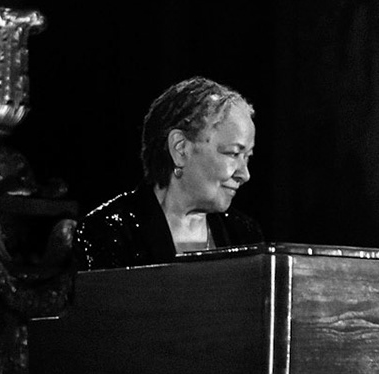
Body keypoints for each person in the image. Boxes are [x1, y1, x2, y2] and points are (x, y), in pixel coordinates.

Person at [74, 77, 263, 269]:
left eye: (247, 157)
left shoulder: (244, 235)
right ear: (180, 148)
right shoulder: (109, 232)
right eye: (233, 153)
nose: (244, 174)